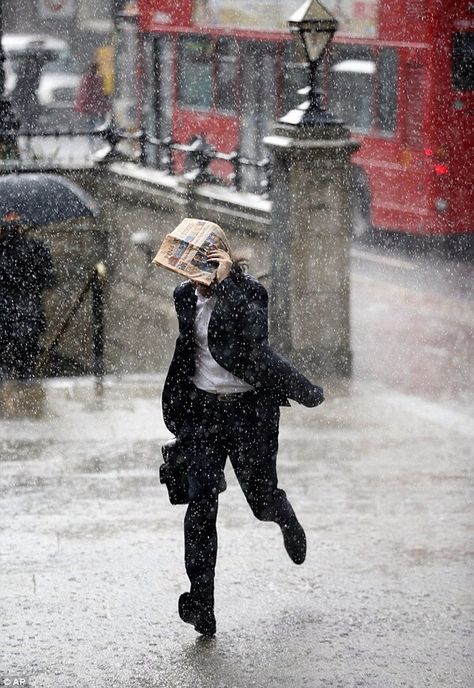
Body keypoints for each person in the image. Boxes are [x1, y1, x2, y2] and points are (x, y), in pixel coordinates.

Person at [161, 226, 324, 637]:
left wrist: (229, 283)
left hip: (250, 413)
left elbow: (254, 339)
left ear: (220, 260)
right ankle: (202, 603)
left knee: (260, 500)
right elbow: (190, 350)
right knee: (200, 508)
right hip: (203, 415)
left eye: (205, 264)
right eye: (192, 265)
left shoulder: (251, 292)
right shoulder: (183, 297)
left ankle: (283, 515)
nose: (197, 275)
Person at [0, 214, 56, 380]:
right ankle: (25, 398)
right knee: (26, 369)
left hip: (8, 319)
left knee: (6, 368)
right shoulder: (35, 247)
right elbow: (49, 280)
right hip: (28, 318)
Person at [74, 61, 109, 142]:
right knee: (96, 124)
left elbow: (83, 93)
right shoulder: (97, 78)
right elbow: (100, 92)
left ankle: (91, 141)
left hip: (89, 107)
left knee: (90, 125)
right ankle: (96, 141)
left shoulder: (86, 78)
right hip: (95, 107)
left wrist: (82, 105)